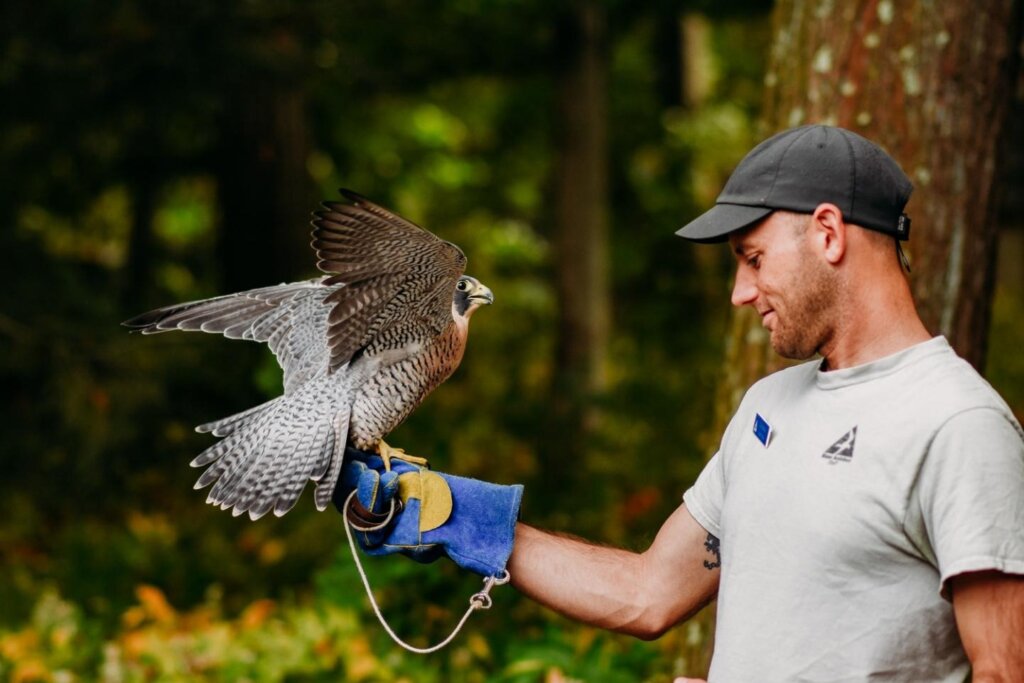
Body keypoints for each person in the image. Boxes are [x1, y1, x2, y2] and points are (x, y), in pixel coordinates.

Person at [338, 125, 1024, 682]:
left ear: (828, 233)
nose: (740, 293)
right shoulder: (769, 407)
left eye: (753, 258)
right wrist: (465, 520)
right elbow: (647, 591)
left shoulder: (957, 425)